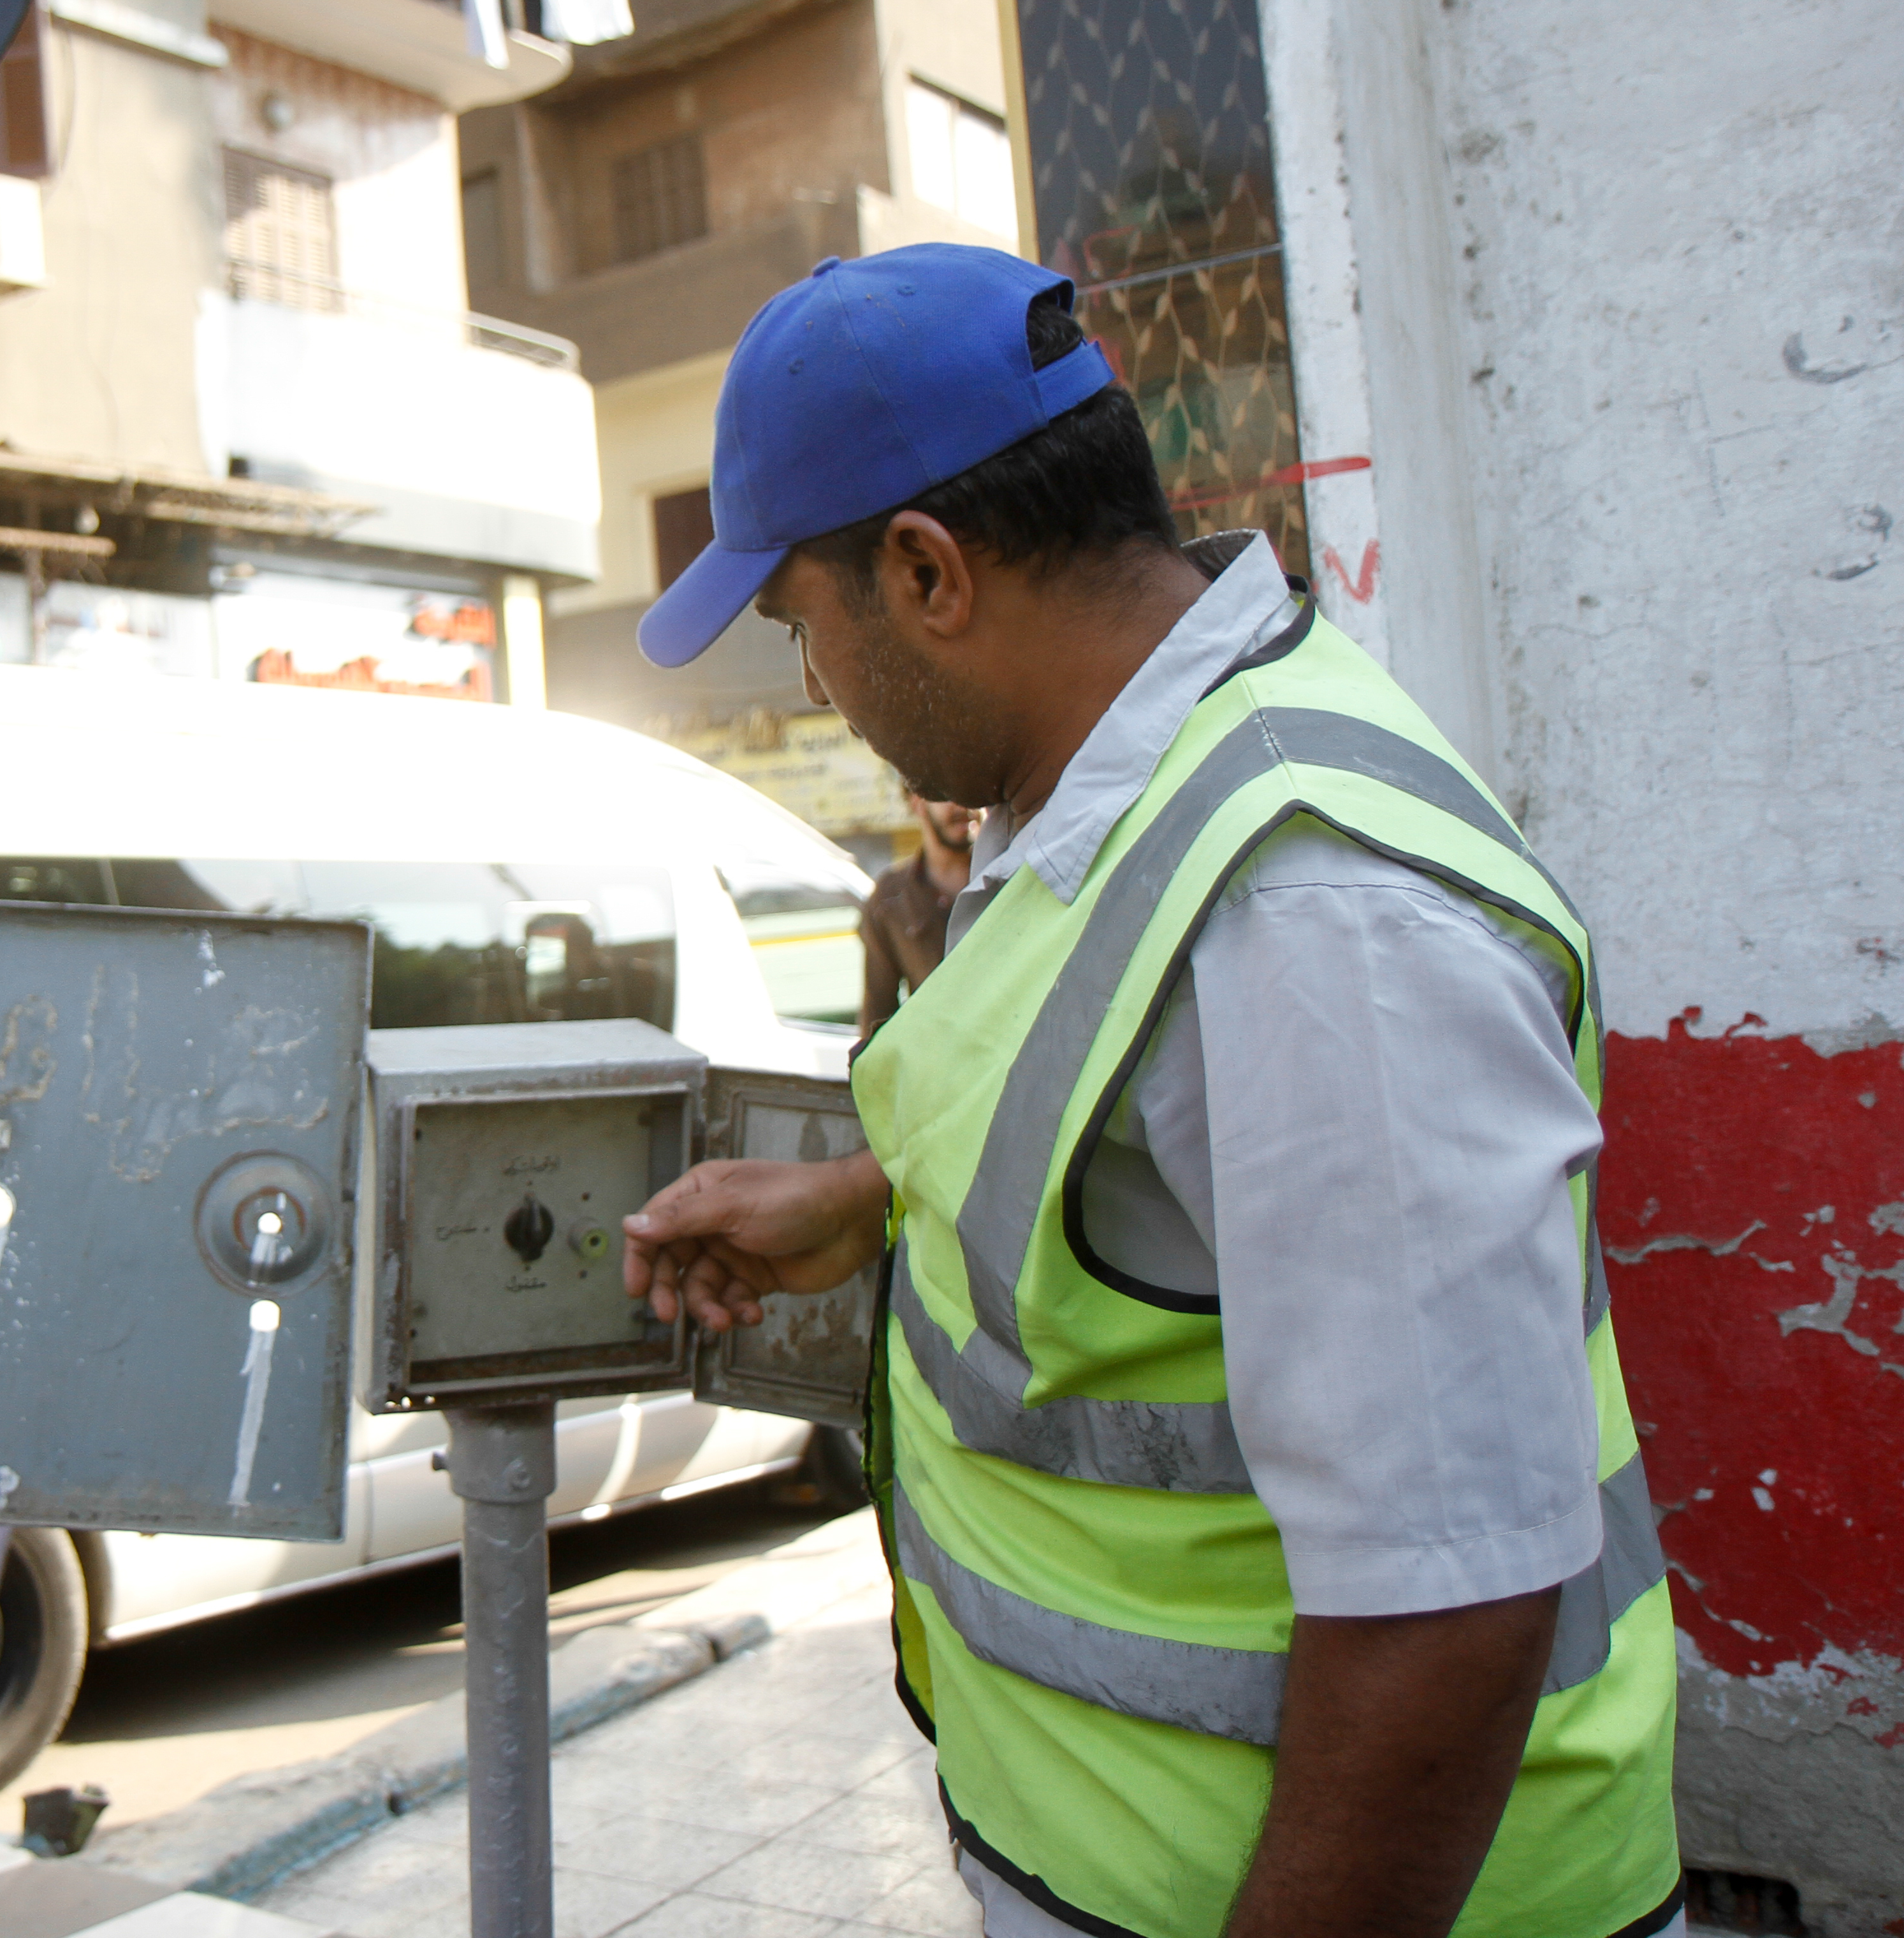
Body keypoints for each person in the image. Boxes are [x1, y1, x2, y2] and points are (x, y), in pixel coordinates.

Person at [621, 245, 1678, 1938]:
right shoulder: (1098, 799)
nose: (814, 684)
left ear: (926, 570)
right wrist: (863, 1195)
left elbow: (1449, 1609)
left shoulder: (1312, 919)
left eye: (797, 625)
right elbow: (1114, 1135)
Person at [855, 788, 977, 1042]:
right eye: (946, 793)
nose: (964, 805)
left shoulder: (1014, 877)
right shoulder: (891, 899)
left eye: (977, 790)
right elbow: (877, 1015)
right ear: (917, 801)